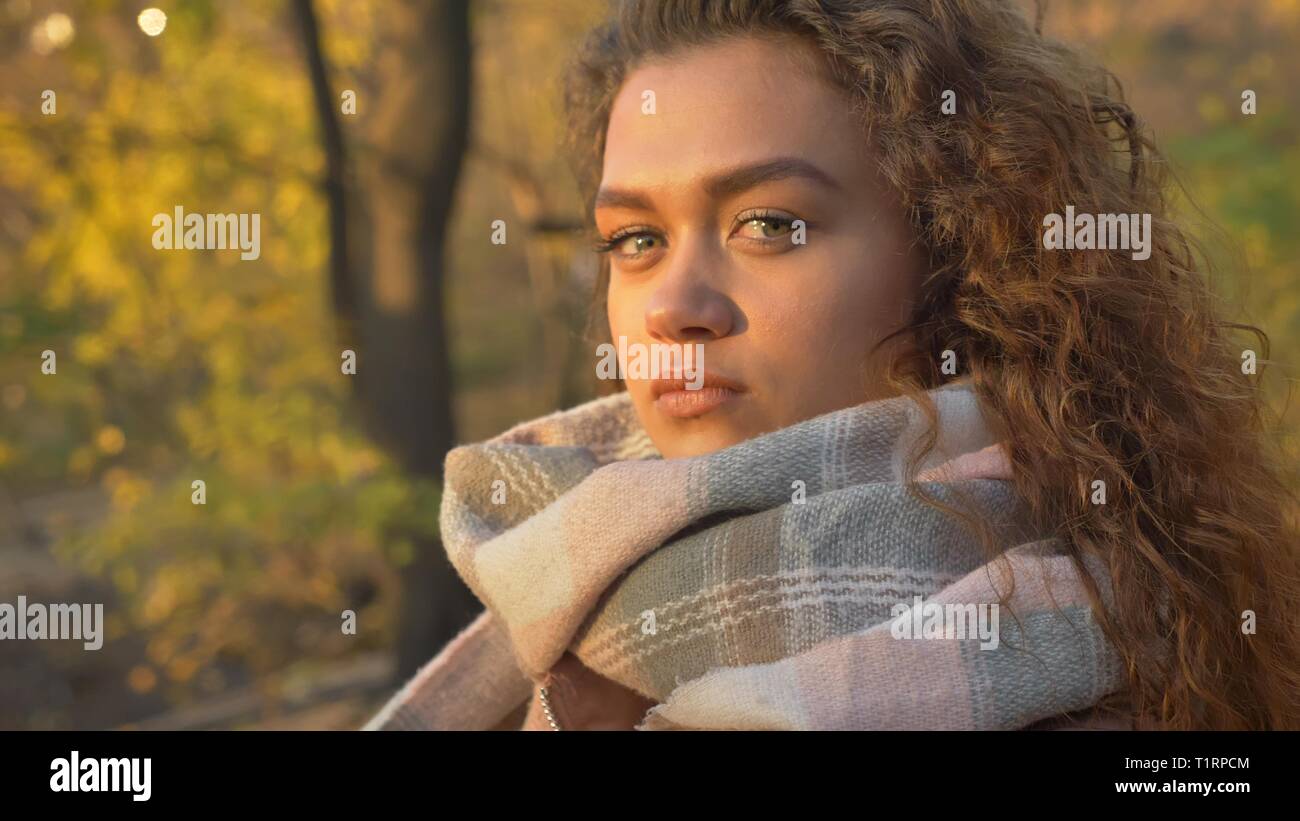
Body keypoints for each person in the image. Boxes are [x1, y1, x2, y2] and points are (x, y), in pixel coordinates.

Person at [365, 0, 1300, 731]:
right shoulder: (552, 609)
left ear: (961, 255)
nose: (675, 307)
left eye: (769, 224)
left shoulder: (1156, 667)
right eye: (636, 238)